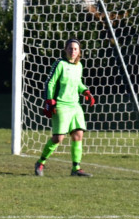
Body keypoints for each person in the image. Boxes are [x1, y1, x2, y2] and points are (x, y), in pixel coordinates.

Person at [35, 38, 95, 177]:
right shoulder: (60, 64)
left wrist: (86, 91)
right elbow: (50, 82)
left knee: (78, 134)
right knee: (58, 138)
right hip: (61, 104)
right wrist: (49, 100)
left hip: (75, 105)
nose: (72, 51)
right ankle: (40, 162)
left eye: (75, 49)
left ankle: (76, 169)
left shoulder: (79, 66)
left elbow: (78, 83)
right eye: (70, 48)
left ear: (79, 51)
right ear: (65, 50)